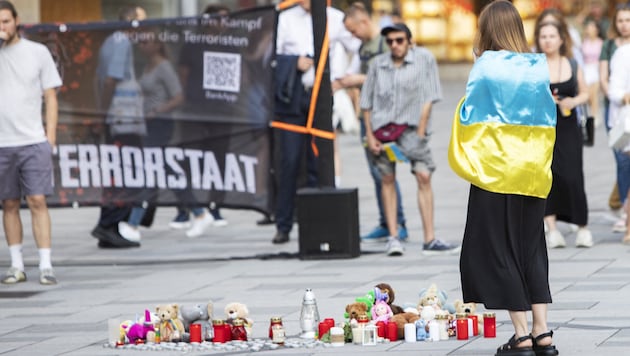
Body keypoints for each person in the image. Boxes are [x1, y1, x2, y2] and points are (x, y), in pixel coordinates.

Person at [450, 1, 558, 354]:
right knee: (531, 248)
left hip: (496, 174)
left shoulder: (486, 66)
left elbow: (468, 116)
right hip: (532, 173)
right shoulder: (537, 66)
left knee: (499, 249)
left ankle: (522, 334)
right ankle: (543, 332)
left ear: (488, 30)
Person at [360, 22, 459, 257]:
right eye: (390, 41)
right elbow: (366, 102)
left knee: (424, 176)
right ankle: (393, 237)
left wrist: (422, 129)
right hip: (383, 130)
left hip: (413, 128)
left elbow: (431, 94)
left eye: (399, 40)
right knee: (387, 178)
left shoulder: (424, 59)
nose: (394, 45)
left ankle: (430, 239)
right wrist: (369, 134)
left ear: (409, 41)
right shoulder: (377, 65)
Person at [272, 0, 360, 244]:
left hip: (321, 96)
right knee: (289, 161)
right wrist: (294, 62)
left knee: (318, 160)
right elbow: (273, 55)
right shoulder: (286, 17)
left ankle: (315, 223)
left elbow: (358, 43)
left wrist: (344, 77)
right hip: (294, 94)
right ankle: (283, 224)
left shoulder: (335, 17)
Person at [0, 0, 61, 285]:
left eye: (5, 21)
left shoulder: (37, 52)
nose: (2, 27)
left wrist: (50, 137)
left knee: (37, 200)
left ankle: (46, 263)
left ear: (16, 21)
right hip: (2, 142)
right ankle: (16, 264)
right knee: (9, 203)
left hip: (33, 139)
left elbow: (50, 95)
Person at [341, 2, 408, 243]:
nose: (352, 35)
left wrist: (359, 78)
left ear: (364, 22)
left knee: (385, 173)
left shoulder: (386, 42)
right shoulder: (362, 48)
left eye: (353, 30)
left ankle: (398, 224)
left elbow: (394, 77)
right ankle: (385, 221)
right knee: (375, 172)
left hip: (385, 119)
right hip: (367, 117)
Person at [116, 31, 184, 241]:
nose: (142, 46)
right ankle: (196, 210)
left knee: (150, 170)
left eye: (146, 42)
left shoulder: (163, 66)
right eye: (140, 43)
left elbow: (178, 96)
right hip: (147, 123)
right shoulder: (147, 67)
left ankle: (134, 222)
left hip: (160, 123)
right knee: (161, 168)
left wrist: (158, 110)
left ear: (157, 45)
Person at [172, 4, 231, 236]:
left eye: (227, 20)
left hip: (223, 112)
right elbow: (183, 77)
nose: (224, 24)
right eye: (220, 19)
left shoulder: (230, 45)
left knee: (220, 161)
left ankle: (216, 207)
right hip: (195, 111)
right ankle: (185, 207)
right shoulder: (193, 45)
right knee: (186, 158)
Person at [535, 19, 592, 248]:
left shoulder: (571, 63)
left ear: (561, 39)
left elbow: (585, 93)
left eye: (551, 36)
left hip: (568, 126)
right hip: (542, 127)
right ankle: (552, 228)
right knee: (547, 176)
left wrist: (571, 100)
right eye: (543, 37)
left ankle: (582, 227)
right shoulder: (535, 65)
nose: (547, 41)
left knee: (573, 176)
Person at [90, 6, 145, 248]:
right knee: (124, 171)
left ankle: (111, 226)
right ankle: (108, 223)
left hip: (122, 117)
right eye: (142, 21)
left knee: (119, 171)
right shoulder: (121, 42)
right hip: (123, 118)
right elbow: (111, 80)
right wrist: (103, 114)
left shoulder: (114, 41)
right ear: (131, 22)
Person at [600, 4, 630, 233]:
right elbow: (610, 85)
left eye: (628, 20)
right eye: (621, 20)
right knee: (623, 164)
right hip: (620, 117)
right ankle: (626, 212)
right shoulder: (615, 50)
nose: (624, 25)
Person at [608, 43, 630, 244]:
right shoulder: (623, 53)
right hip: (626, 123)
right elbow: (614, 90)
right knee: (626, 169)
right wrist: (626, 96)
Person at [581, 19, 603, 126]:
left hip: (596, 70)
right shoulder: (584, 42)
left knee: (594, 94)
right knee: (588, 95)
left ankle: (594, 115)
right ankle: (592, 114)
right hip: (587, 70)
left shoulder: (600, 43)